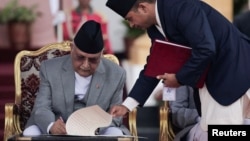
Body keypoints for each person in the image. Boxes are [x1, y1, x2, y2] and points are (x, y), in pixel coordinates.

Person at [105, 0, 250, 140]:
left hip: (231, 74)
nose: (131, 24)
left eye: (130, 18)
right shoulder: (155, 26)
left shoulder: (181, 6)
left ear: (143, 7)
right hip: (216, 78)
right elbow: (155, 65)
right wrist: (127, 105)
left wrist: (179, 78)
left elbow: (206, 49)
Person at [23, 20, 130, 136]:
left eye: (93, 60)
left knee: (115, 133)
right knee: (30, 133)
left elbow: (115, 116)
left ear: (101, 54)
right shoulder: (49, 68)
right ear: (71, 48)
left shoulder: (116, 74)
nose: (85, 65)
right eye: (80, 57)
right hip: (56, 128)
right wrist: (51, 126)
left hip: (95, 132)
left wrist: (96, 129)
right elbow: (42, 107)